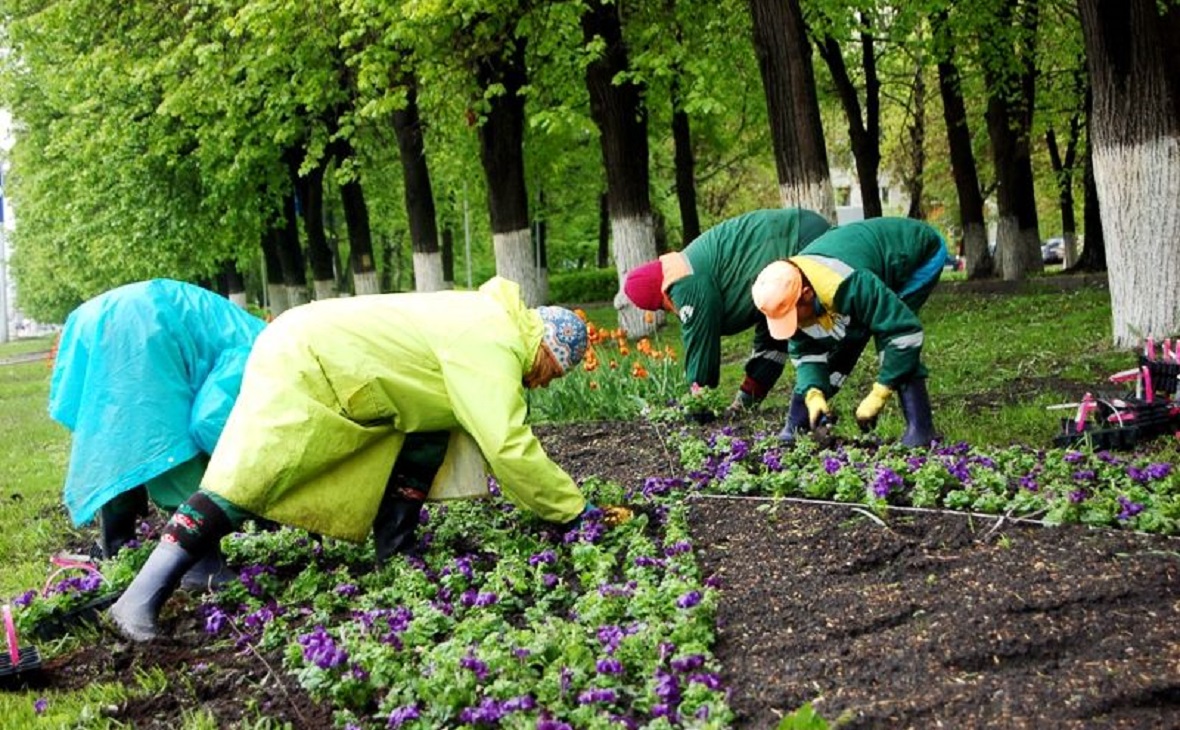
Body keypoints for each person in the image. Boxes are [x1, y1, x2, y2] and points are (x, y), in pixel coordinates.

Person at [110, 277, 619, 642]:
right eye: (554, 372)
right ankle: (140, 595)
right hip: (308, 359)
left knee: (428, 438)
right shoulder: (493, 340)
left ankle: (394, 550)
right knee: (246, 479)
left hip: (332, 358)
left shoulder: (490, 324)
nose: (546, 383)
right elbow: (507, 444)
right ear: (548, 349)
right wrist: (574, 513)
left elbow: (442, 416)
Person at [48, 279, 267, 587]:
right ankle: (200, 564)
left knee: (120, 434)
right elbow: (209, 421)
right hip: (144, 324)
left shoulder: (255, 334)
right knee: (167, 437)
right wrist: (250, 479)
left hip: (98, 318)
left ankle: (117, 544)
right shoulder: (264, 353)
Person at [751, 217, 947, 447]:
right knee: (847, 333)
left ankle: (921, 430)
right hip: (862, 262)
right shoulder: (789, 284)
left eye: (791, 317)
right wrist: (814, 396)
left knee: (890, 335)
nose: (792, 325)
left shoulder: (848, 284)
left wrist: (879, 394)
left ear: (806, 294)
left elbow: (904, 333)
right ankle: (798, 424)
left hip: (915, 254)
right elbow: (806, 351)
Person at [622, 208, 831, 414]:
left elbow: (700, 341)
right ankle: (749, 399)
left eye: (663, 307)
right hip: (799, 233)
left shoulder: (685, 284)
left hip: (799, 239)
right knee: (777, 328)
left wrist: (698, 400)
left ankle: (812, 403)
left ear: (660, 297)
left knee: (814, 328)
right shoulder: (688, 268)